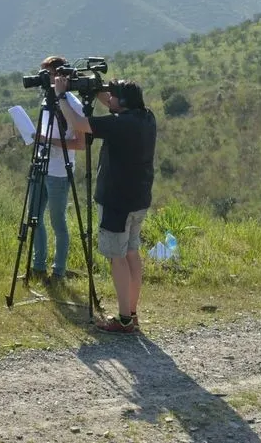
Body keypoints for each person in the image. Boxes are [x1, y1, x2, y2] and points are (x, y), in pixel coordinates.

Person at [54, 75, 157, 333]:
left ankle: (123, 319)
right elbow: (114, 104)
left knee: (116, 257)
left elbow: (78, 123)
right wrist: (98, 88)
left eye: (112, 96)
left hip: (116, 202)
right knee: (132, 253)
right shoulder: (146, 117)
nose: (108, 99)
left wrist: (61, 95)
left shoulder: (118, 124)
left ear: (122, 102)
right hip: (138, 199)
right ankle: (131, 313)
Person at [32, 56, 85, 282]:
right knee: (34, 218)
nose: (43, 80)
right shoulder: (47, 100)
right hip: (41, 165)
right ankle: (38, 267)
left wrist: (47, 141)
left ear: (60, 75)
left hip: (59, 173)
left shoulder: (72, 104)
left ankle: (58, 271)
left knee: (57, 222)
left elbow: (80, 144)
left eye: (48, 75)